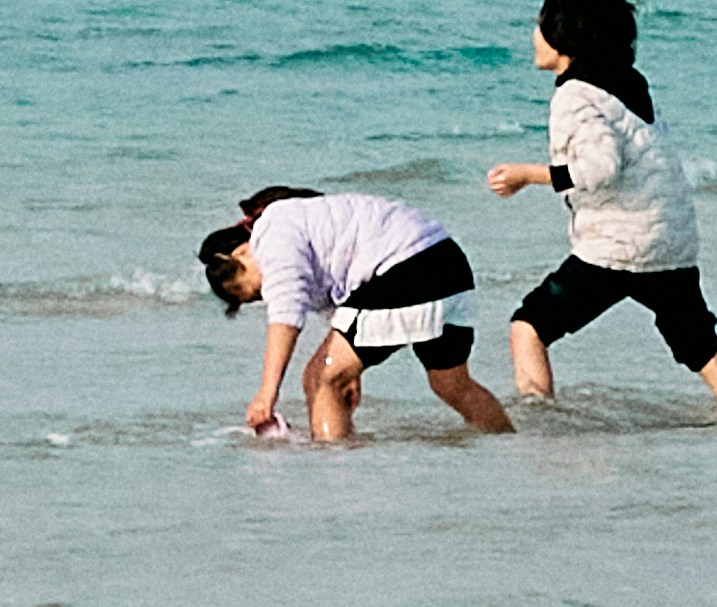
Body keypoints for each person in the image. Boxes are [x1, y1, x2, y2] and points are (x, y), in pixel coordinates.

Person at [490, 0, 717, 417]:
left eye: (541, 26)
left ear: (564, 38)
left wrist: (526, 175)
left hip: (617, 247)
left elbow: (600, 167)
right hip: (669, 241)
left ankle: (540, 425)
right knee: (699, 348)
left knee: (529, 326)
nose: (533, 35)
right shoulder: (631, 84)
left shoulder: (575, 95)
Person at [200, 188, 513, 442]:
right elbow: (343, 306)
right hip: (447, 264)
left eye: (256, 290)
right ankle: (508, 448)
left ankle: (334, 479)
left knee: (320, 378)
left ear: (241, 252)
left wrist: (266, 394)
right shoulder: (306, 222)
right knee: (453, 385)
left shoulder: (271, 232)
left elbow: (286, 312)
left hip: (409, 266)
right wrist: (353, 372)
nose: (266, 294)